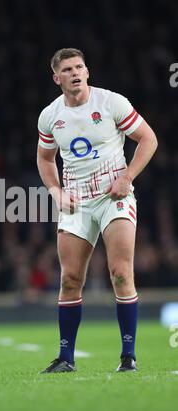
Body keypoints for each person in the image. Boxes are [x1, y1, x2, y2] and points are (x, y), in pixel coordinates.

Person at [36, 48, 158, 373]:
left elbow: (148, 139)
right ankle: (66, 358)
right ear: (56, 78)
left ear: (87, 71)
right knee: (70, 279)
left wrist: (127, 177)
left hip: (112, 197)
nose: (75, 73)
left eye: (79, 67)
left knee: (120, 272)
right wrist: (55, 192)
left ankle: (128, 357)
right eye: (68, 69)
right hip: (76, 202)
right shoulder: (50, 116)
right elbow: (45, 159)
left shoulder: (110, 103)